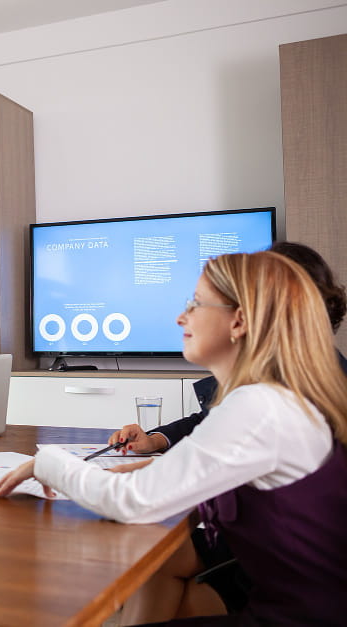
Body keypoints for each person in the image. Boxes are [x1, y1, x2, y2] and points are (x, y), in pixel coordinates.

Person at [0, 251, 347, 625]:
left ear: (238, 320)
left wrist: (47, 462)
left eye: (195, 303)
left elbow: (133, 502)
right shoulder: (278, 397)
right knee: (157, 570)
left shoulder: (260, 407)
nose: (181, 317)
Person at [106, 241, 347, 615]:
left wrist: (56, 467)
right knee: (153, 563)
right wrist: (157, 441)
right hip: (252, 529)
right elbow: (212, 427)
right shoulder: (269, 372)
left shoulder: (302, 386)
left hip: (275, 549)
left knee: (154, 562)